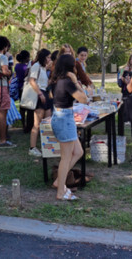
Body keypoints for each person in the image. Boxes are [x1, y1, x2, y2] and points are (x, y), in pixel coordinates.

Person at [49, 54, 88, 200]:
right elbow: (84, 99)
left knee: (78, 151)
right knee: (66, 158)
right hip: (64, 119)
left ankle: (59, 181)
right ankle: (60, 192)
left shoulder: (56, 81)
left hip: (60, 116)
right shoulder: (67, 82)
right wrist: (75, 81)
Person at [27, 49, 52, 157]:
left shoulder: (43, 67)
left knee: (47, 122)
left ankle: (47, 145)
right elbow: (31, 80)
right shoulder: (36, 66)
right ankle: (32, 148)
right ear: (43, 57)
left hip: (45, 94)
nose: (49, 59)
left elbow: (44, 83)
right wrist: (40, 94)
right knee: (37, 124)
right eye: (48, 57)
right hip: (39, 95)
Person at [116, 54, 132, 137]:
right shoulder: (124, 69)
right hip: (126, 90)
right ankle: (126, 120)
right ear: (129, 60)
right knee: (125, 106)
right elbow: (120, 79)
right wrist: (124, 80)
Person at [14, 50, 32, 133]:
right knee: (28, 107)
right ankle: (28, 125)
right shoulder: (26, 67)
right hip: (26, 87)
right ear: (26, 58)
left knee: (22, 107)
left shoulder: (17, 66)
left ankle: (23, 124)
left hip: (19, 87)